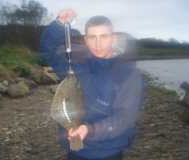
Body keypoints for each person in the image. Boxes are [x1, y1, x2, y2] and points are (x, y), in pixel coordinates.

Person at [40, 9, 145, 160]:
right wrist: (59, 24)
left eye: (104, 36)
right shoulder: (75, 65)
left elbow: (125, 118)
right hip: (75, 145)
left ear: (113, 38)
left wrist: (90, 130)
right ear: (86, 39)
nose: (98, 43)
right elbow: (47, 53)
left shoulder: (129, 74)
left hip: (108, 151)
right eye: (92, 37)